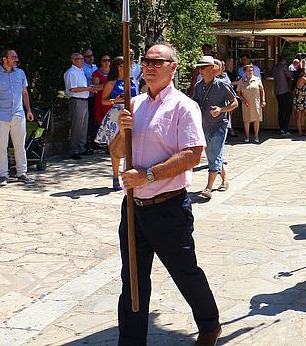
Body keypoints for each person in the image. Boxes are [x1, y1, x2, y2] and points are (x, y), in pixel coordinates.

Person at [112, 43, 221, 345]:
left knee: (185, 272)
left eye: (158, 61)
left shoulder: (183, 106)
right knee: (132, 280)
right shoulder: (134, 105)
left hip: (168, 207)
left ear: (174, 67)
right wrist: (122, 132)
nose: (150, 66)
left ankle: (210, 324)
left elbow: (192, 155)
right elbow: (116, 152)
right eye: (146, 60)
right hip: (134, 208)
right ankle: (131, 341)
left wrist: (146, 175)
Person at [0, 49, 35, 186]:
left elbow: (24, 93)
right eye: (13, 57)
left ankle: (22, 173)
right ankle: (2, 175)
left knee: (20, 145)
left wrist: (28, 110)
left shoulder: (20, 73)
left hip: (18, 114)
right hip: (1, 115)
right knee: (1, 146)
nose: (16, 59)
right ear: (4, 59)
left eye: (16, 56)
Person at [193, 56, 238, 200]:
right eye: (199, 67)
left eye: (203, 67)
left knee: (214, 155)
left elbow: (235, 103)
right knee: (214, 156)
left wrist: (221, 109)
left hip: (219, 125)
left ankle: (208, 188)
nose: (200, 70)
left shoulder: (222, 85)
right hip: (204, 126)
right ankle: (225, 179)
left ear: (212, 69)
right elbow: (195, 105)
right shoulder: (198, 86)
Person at [96, 56, 138, 190]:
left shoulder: (131, 81)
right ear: (119, 66)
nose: (129, 67)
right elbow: (104, 100)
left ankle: (130, 174)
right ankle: (115, 177)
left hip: (131, 113)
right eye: (126, 65)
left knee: (132, 145)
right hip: (116, 115)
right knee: (115, 146)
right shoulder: (111, 82)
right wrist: (115, 100)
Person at [64, 52, 100, 160]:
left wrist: (89, 88)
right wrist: (88, 88)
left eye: (81, 58)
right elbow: (73, 89)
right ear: (73, 60)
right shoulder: (71, 72)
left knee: (84, 126)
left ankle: (82, 147)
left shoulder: (81, 71)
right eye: (79, 59)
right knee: (76, 126)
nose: (82, 60)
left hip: (84, 99)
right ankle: (74, 150)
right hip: (76, 100)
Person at [237, 64, 265, 143]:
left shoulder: (257, 79)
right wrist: (242, 99)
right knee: (246, 119)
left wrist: (263, 100)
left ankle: (256, 135)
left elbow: (262, 90)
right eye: (249, 71)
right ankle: (247, 136)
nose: (250, 72)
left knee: (256, 119)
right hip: (246, 102)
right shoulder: (242, 81)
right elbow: (238, 92)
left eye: (252, 70)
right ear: (245, 72)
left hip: (256, 101)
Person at [271, 55, 293, 136]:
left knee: (281, 110)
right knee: (288, 110)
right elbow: (290, 75)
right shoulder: (284, 67)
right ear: (284, 60)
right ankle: (285, 128)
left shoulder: (275, 67)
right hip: (284, 90)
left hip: (277, 91)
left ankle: (282, 128)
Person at [82, 48, 99, 149]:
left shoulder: (95, 67)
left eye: (91, 55)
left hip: (95, 97)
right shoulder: (82, 68)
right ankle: (87, 142)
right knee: (87, 121)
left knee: (94, 120)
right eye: (88, 56)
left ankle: (94, 140)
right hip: (86, 97)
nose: (90, 58)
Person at [92, 54, 112, 131]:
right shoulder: (96, 73)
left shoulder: (114, 72)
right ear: (100, 62)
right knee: (101, 122)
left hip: (112, 100)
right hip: (101, 101)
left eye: (108, 60)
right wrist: (110, 84)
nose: (107, 62)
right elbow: (95, 88)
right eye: (104, 60)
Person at [292, 68, 306, 135]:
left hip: (297, 99)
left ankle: (300, 132)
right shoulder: (303, 78)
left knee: (298, 117)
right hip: (302, 99)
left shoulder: (296, 80)